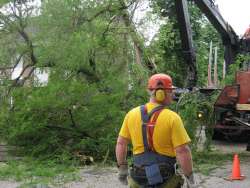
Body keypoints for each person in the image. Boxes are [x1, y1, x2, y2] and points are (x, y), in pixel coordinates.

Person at [115, 73, 197, 188]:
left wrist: (122, 169)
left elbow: (121, 143)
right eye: (170, 91)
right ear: (160, 93)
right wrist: (190, 177)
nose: (173, 94)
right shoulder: (172, 118)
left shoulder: (131, 114)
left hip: (138, 177)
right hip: (165, 179)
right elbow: (182, 151)